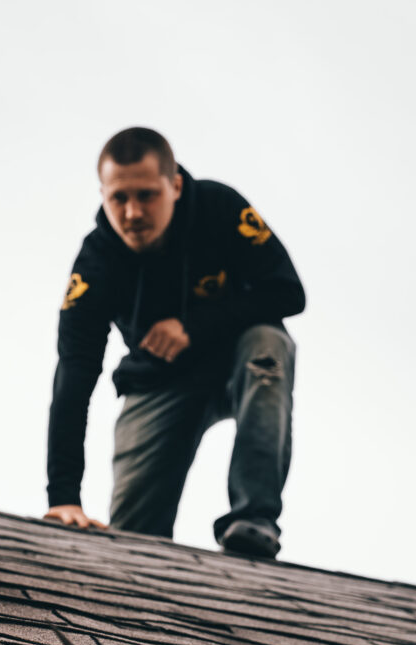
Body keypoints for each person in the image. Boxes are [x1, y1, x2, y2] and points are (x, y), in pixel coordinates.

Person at [45, 127, 305, 558]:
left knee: (268, 344)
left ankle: (253, 519)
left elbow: (287, 292)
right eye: (119, 199)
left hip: (235, 360)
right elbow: (74, 370)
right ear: (103, 194)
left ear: (175, 185)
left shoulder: (220, 208)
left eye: (146, 196)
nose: (132, 213)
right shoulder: (97, 263)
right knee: (131, 548)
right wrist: (64, 497)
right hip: (158, 382)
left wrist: (192, 326)